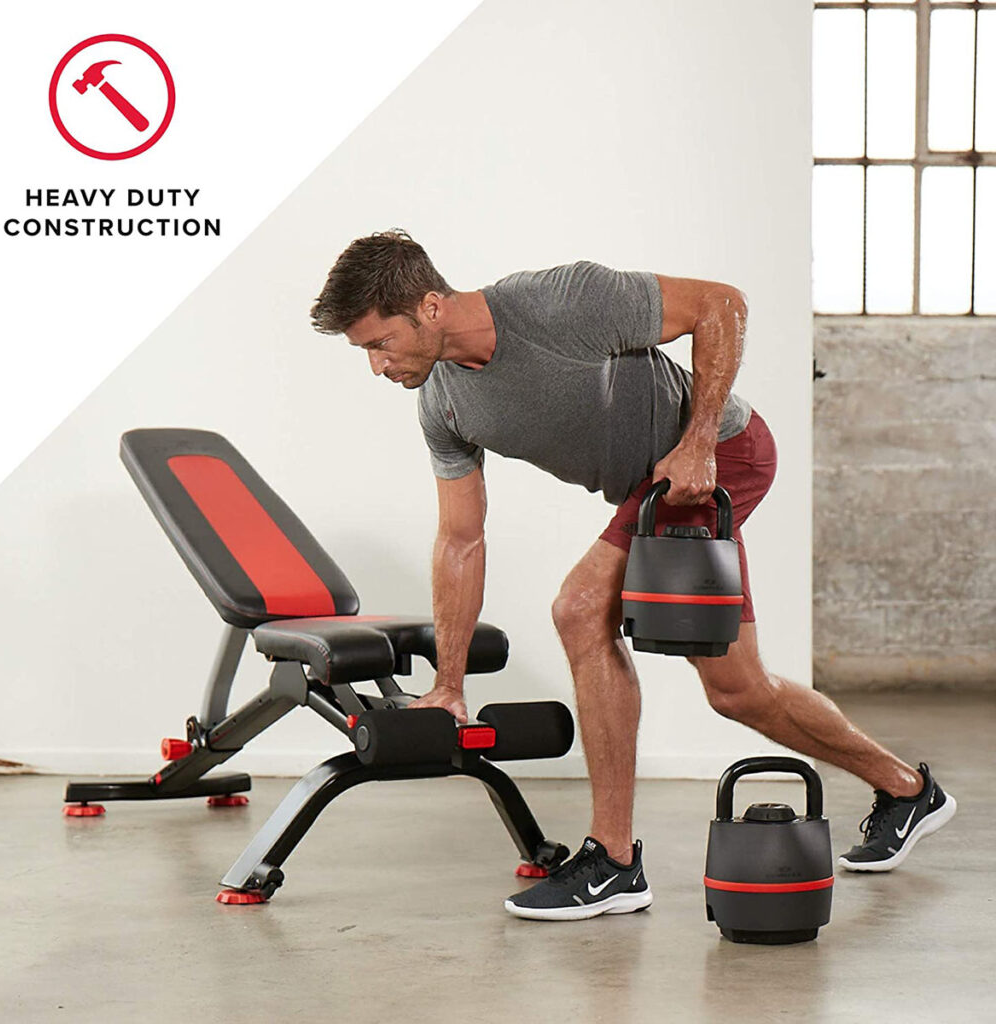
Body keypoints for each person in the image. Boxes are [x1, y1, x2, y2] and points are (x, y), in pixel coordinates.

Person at [310, 230, 956, 922]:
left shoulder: (556, 303)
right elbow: (461, 539)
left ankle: (614, 862)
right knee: (739, 691)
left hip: (724, 458)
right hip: (649, 496)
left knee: (579, 608)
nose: (377, 366)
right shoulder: (443, 404)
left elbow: (721, 305)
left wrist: (700, 438)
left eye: (380, 344)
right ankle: (906, 789)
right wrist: (448, 684)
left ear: (430, 308)